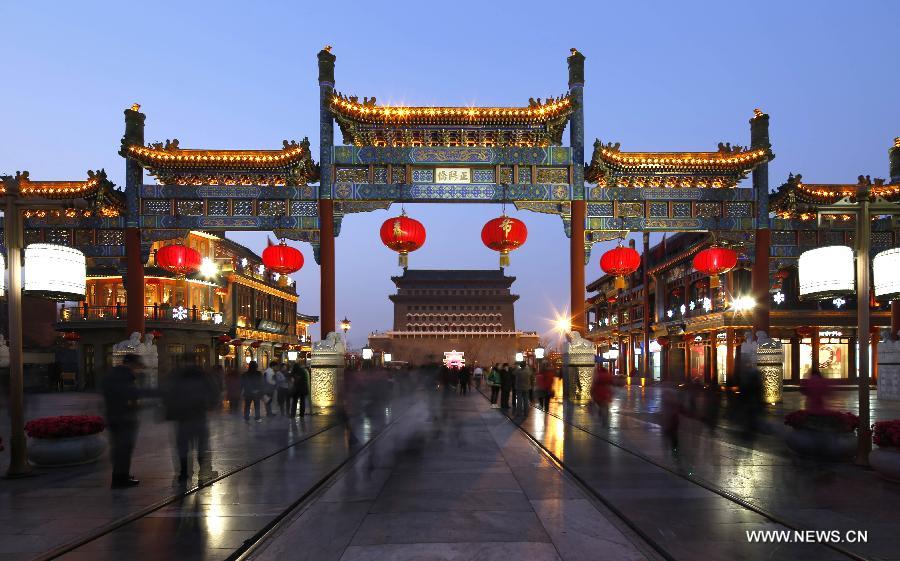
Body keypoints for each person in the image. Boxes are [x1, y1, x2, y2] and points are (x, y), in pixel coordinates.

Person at [167, 355, 219, 482]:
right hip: (198, 415)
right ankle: (203, 473)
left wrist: (171, 411)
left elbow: (167, 394)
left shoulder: (175, 376)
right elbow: (214, 391)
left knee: (183, 446)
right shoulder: (202, 375)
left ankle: (183, 473)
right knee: (202, 445)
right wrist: (211, 405)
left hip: (182, 417)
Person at [102, 353, 143, 488]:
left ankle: (121, 475)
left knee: (119, 449)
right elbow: (130, 396)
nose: (138, 369)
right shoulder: (126, 377)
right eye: (137, 366)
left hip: (113, 416)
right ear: (132, 365)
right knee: (124, 449)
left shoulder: (111, 374)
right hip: (124, 418)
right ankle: (120, 479)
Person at [590, 363, 613, 427]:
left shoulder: (598, 375)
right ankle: (605, 419)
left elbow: (594, 384)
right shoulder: (608, 375)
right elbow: (611, 383)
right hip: (606, 393)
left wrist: (592, 392)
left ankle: (602, 417)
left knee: (600, 406)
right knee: (605, 406)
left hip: (598, 393)